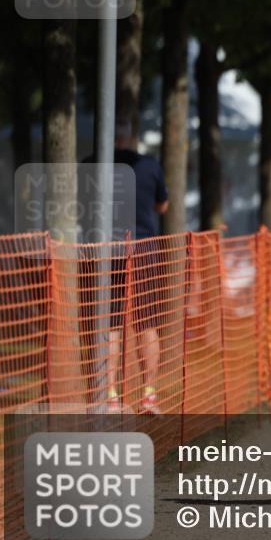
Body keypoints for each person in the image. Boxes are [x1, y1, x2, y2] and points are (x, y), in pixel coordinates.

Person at [82, 124, 168, 414]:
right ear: (131, 138)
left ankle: (110, 397)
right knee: (146, 324)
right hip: (143, 250)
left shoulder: (89, 165)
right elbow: (163, 205)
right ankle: (149, 396)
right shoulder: (149, 165)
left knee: (110, 325)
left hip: (105, 251)